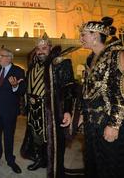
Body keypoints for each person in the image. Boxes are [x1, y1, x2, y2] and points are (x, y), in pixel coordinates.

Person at [20, 38, 74, 178]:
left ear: (50, 48)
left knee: (53, 140)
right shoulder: (32, 65)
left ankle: (55, 166)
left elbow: (68, 89)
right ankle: (40, 160)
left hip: (51, 109)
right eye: (38, 49)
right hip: (34, 108)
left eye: (44, 48)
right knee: (36, 136)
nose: (40, 51)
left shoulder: (60, 63)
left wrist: (67, 110)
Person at [79, 16, 124, 178]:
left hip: (109, 122)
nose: (80, 38)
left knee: (111, 166)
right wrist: (82, 115)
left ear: (95, 36)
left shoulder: (117, 55)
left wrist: (114, 124)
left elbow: (122, 93)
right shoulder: (90, 59)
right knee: (92, 164)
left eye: (83, 34)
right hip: (92, 126)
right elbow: (87, 93)